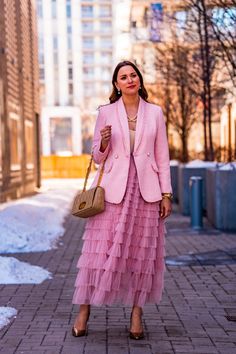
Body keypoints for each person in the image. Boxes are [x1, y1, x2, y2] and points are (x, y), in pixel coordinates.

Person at [72, 60, 172, 340]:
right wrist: (103, 143)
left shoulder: (155, 113)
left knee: (141, 256)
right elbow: (96, 158)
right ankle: (84, 310)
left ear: (139, 80)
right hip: (111, 192)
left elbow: (162, 156)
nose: (129, 80)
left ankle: (136, 314)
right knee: (97, 253)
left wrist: (166, 193)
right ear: (116, 84)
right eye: (123, 77)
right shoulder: (106, 112)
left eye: (133, 75)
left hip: (145, 191)